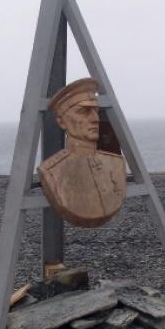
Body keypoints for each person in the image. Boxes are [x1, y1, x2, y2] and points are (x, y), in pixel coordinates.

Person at [38, 78, 126, 227]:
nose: (95, 119)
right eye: (84, 111)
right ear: (61, 121)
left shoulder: (117, 162)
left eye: (96, 111)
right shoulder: (51, 171)